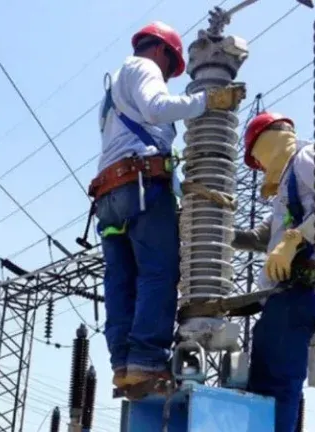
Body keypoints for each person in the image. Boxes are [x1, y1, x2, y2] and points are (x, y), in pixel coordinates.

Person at [87, 21, 247, 389]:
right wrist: (208, 100)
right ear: (162, 52)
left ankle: (125, 365)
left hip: (109, 195)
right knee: (158, 273)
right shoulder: (142, 67)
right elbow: (158, 108)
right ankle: (146, 360)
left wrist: (184, 185)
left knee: (121, 283)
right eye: (171, 70)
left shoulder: (111, 95)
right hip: (140, 188)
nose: (167, 77)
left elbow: (136, 139)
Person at [232, 112, 315, 432]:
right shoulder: (287, 187)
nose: (257, 167)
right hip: (288, 294)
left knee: (275, 383)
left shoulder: (305, 157)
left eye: (256, 158)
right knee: (273, 380)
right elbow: (260, 238)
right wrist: (213, 227)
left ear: (268, 142)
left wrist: (296, 238)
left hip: (300, 288)